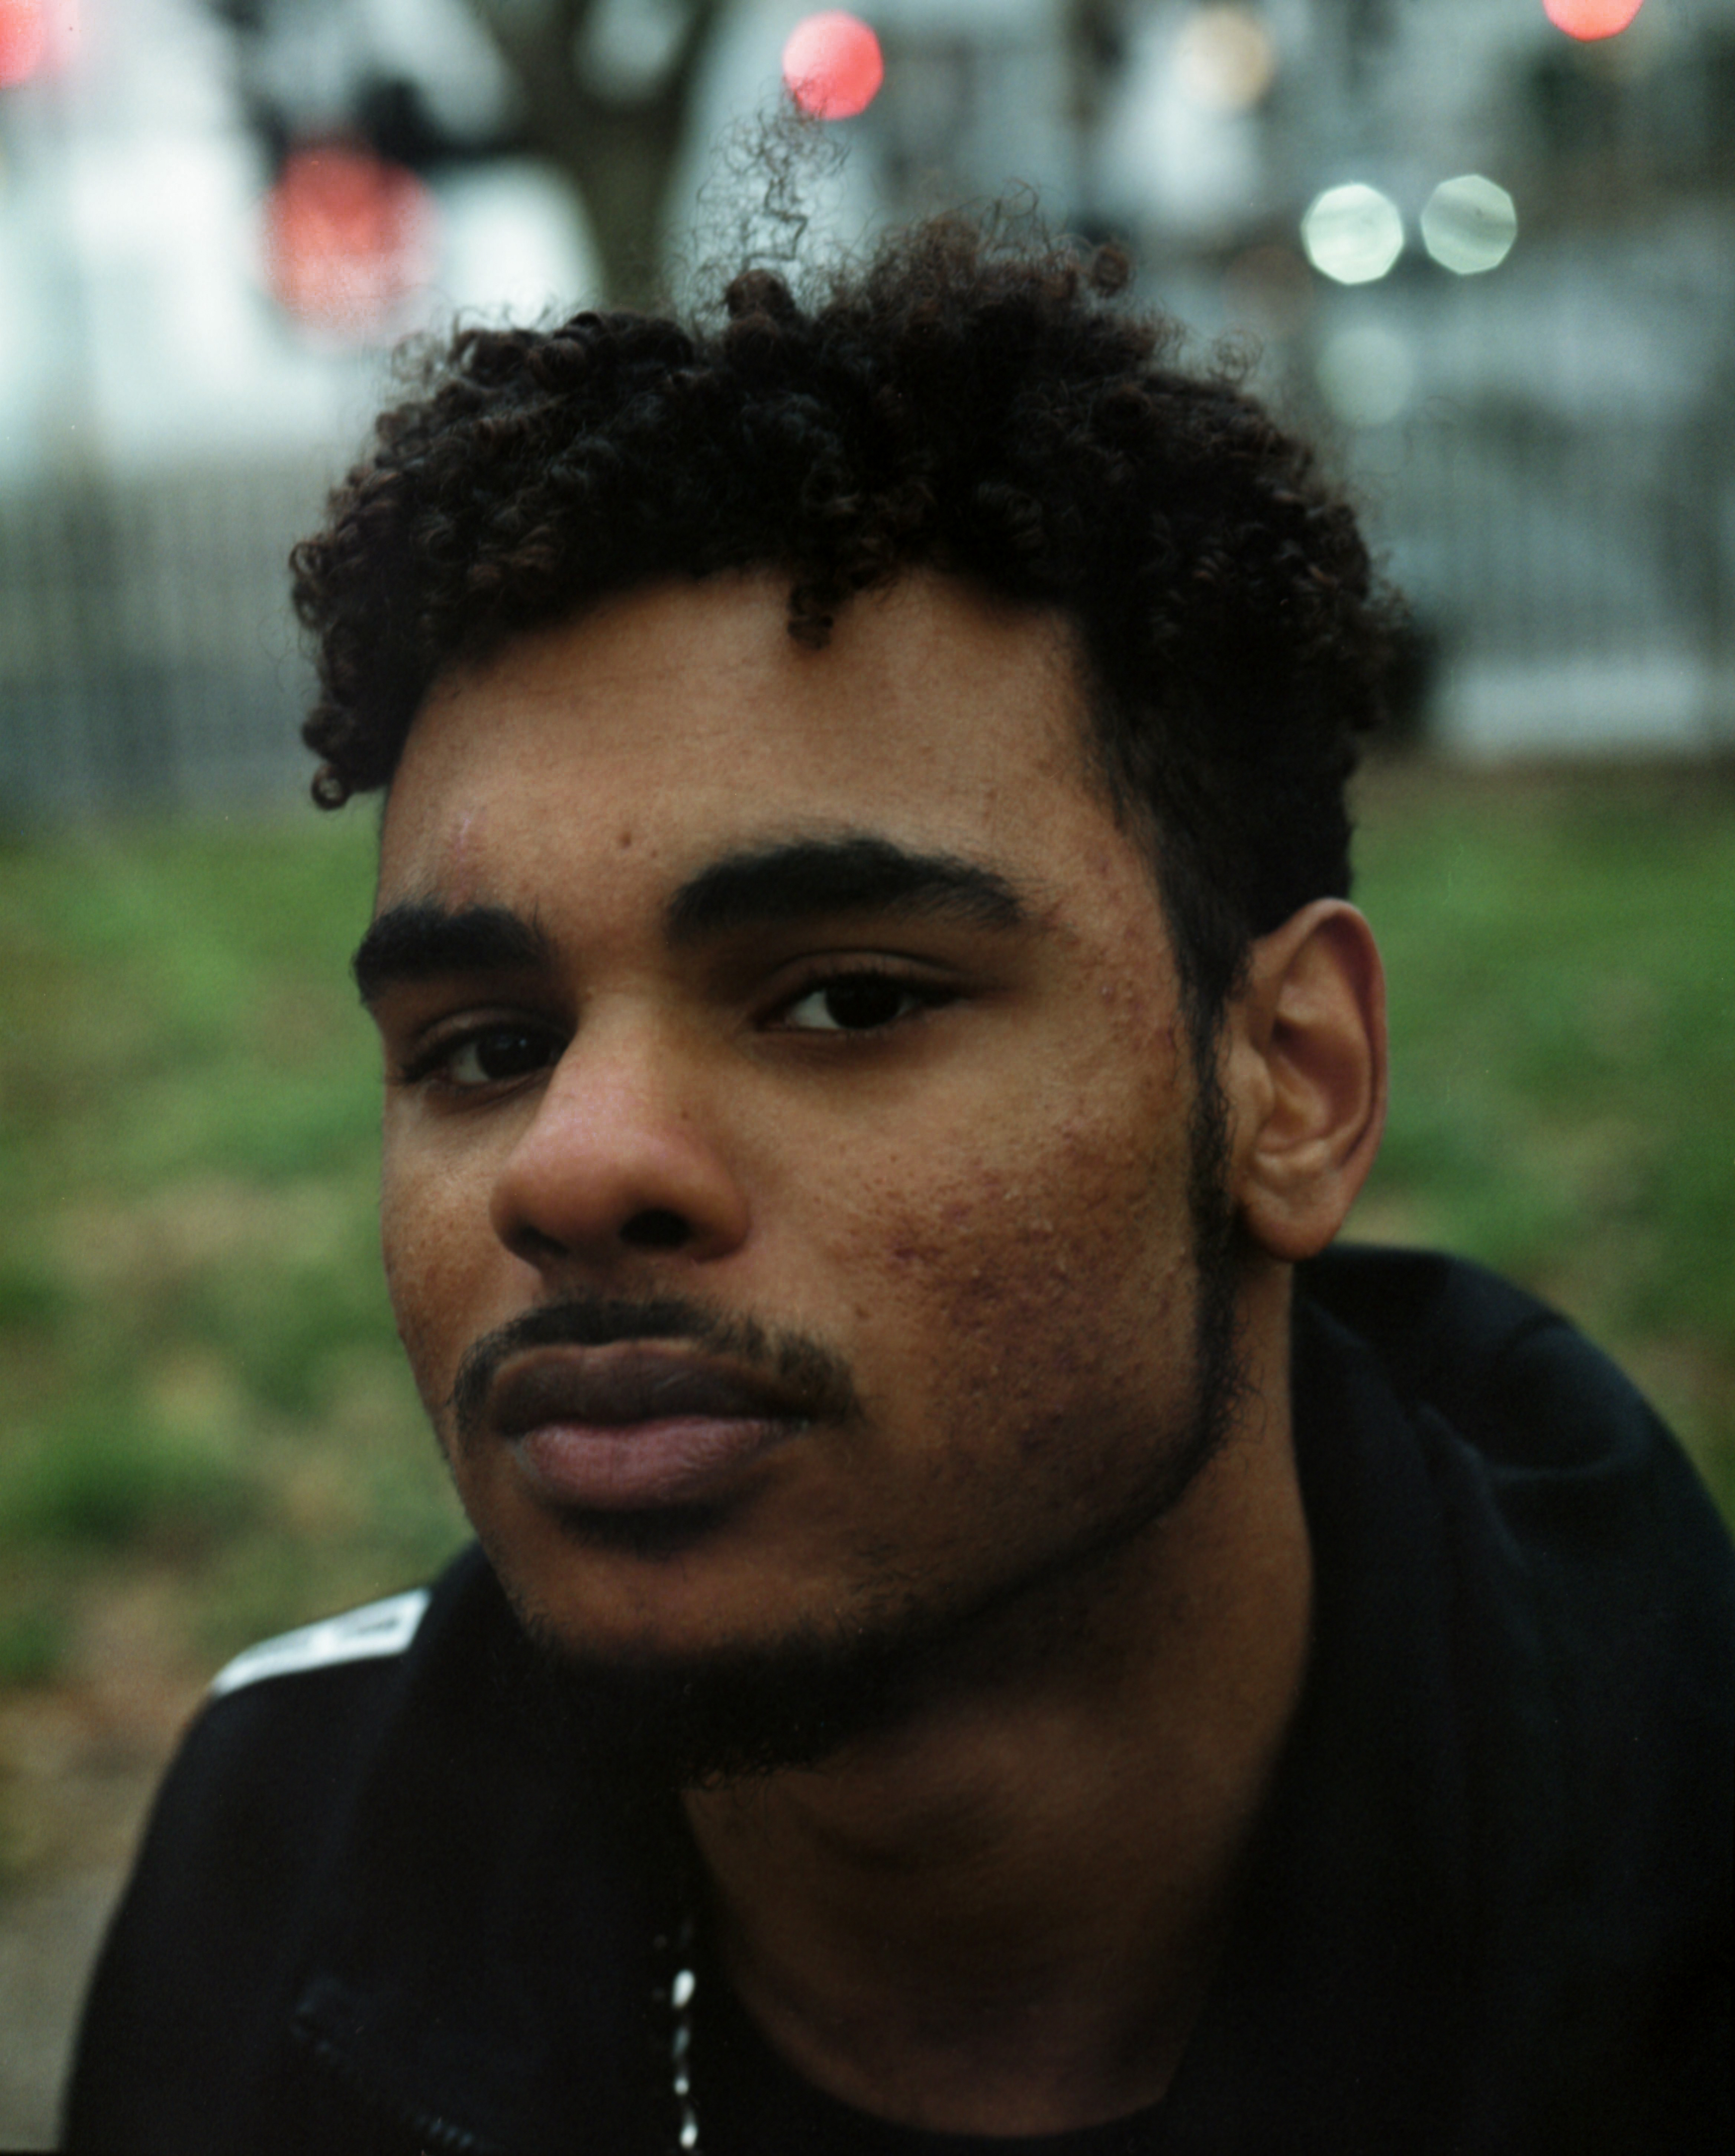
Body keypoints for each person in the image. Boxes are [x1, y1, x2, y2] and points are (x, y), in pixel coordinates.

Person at [65, 214, 1732, 2156]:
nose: (573, 1165)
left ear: (1289, 1083)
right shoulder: (276, 1862)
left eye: (845, 998)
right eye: (484, 1045)